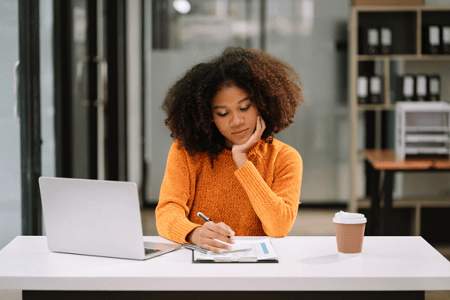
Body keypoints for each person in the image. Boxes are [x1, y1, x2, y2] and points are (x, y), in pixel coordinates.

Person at [155, 46, 304, 253]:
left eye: (244, 108)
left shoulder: (284, 157)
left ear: (262, 104)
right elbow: (167, 213)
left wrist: (241, 159)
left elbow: (278, 227)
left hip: (256, 270)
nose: (236, 121)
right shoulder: (186, 151)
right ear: (209, 117)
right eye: (223, 113)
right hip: (199, 266)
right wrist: (194, 233)